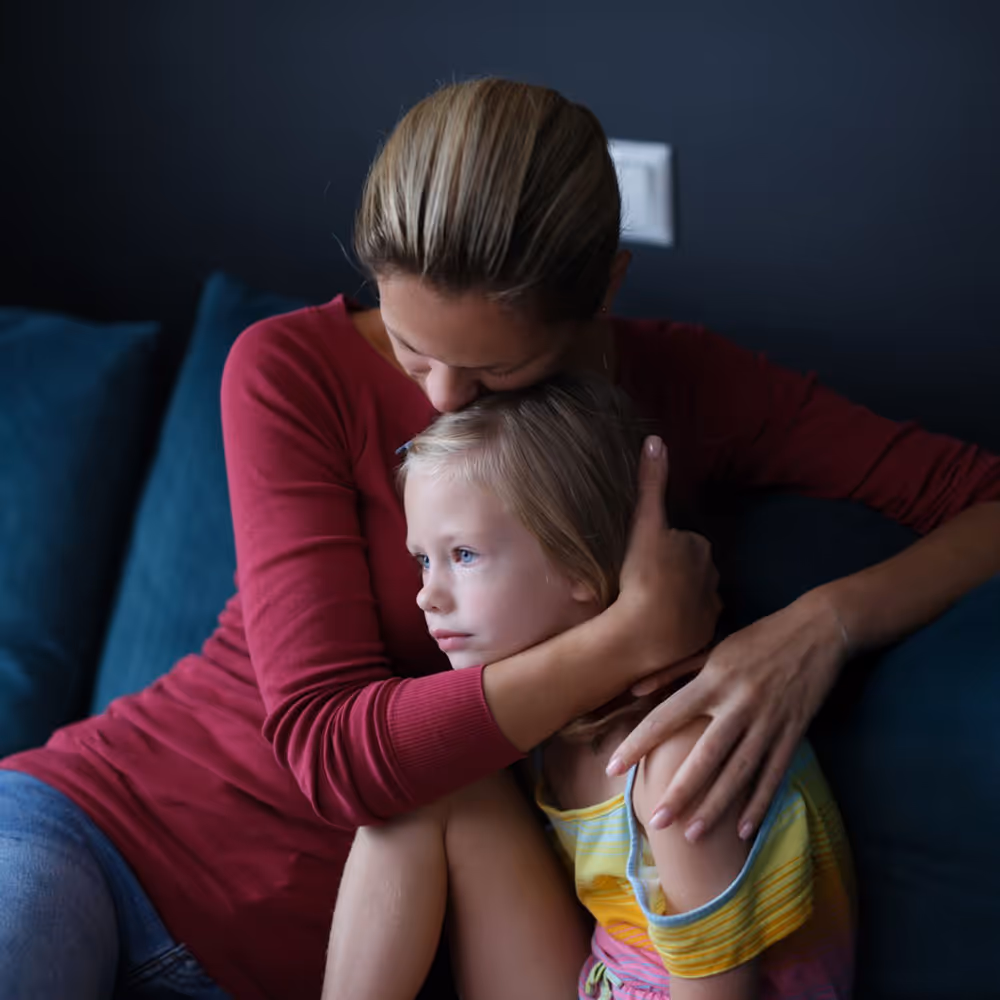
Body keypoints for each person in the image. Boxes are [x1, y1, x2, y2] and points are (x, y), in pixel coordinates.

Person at [1, 76, 999, 999]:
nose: (435, 400)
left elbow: (979, 495)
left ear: (601, 291)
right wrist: (629, 633)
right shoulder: (287, 369)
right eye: (408, 347)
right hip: (99, 826)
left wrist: (820, 626)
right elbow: (333, 754)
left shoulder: (686, 390)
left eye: (489, 375)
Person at [323, 375, 855, 1000]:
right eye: (422, 559)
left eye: (463, 554)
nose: (426, 595)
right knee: (421, 789)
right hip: (601, 981)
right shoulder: (553, 735)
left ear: (578, 562)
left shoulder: (677, 757)